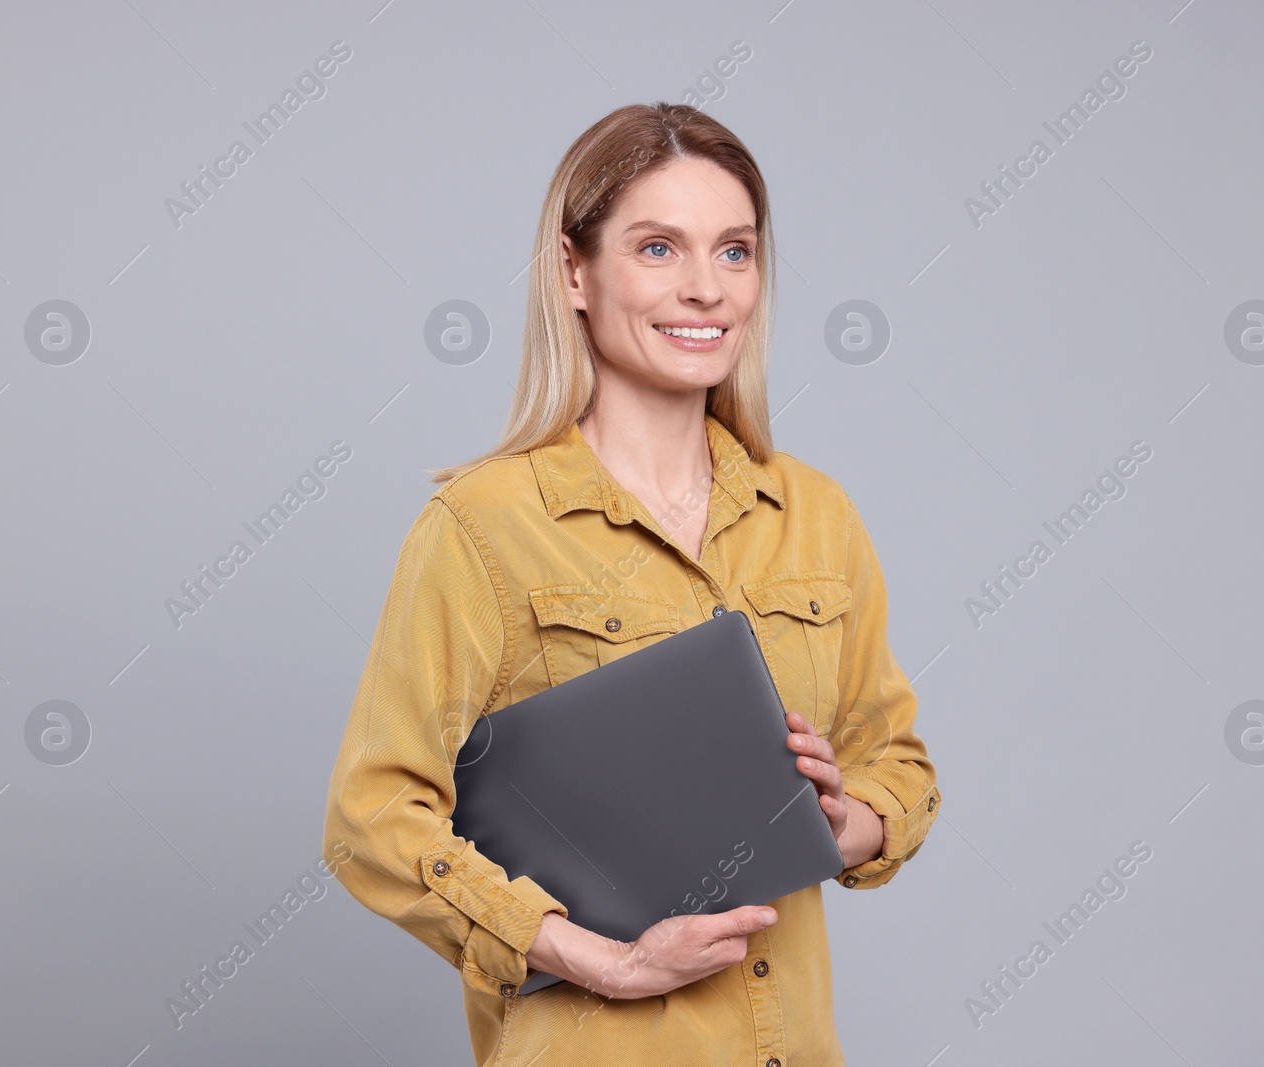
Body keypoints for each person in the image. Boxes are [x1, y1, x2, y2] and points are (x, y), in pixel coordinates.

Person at [322, 101, 941, 1067]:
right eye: (659, 249)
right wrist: (600, 960)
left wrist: (847, 822)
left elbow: (897, 763)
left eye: (735, 252)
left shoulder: (816, 515)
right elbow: (371, 818)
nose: (707, 290)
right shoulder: (482, 527)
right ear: (574, 271)